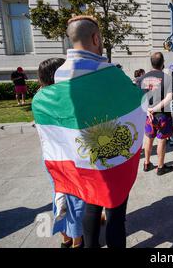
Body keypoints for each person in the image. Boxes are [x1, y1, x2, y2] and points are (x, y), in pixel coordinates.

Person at [52, 15, 132, 248]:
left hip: (79, 152)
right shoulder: (107, 72)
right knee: (116, 210)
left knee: (91, 204)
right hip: (109, 153)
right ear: (96, 38)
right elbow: (131, 104)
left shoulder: (60, 73)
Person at [38, 57, 84, 249]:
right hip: (70, 157)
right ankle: (77, 241)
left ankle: (65, 239)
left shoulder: (40, 96)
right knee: (76, 200)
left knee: (60, 196)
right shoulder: (68, 97)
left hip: (50, 157)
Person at [137, 52, 173, 176]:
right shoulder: (167, 78)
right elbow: (169, 97)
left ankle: (146, 163)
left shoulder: (142, 78)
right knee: (162, 140)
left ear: (151, 62)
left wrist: (148, 109)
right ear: (163, 63)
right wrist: (155, 108)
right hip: (163, 115)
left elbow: (138, 98)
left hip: (149, 116)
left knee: (148, 138)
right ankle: (160, 166)